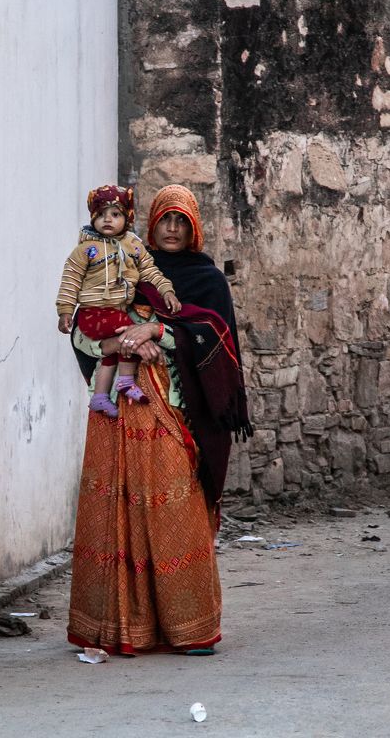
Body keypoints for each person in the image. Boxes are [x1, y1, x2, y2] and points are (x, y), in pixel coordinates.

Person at [67, 184, 252, 655]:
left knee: (175, 509)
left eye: (181, 222)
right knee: (116, 513)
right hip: (116, 412)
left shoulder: (208, 281)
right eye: (165, 220)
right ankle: (117, 626)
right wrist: (121, 341)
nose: (171, 229)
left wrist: (159, 330)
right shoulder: (125, 263)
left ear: (194, 229)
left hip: (174, 412)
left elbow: (215, 343)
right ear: (150, 224)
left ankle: (189, 628)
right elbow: (83, 332)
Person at [56, 184, 181, 418]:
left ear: (128, 218)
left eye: (115, 214)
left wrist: (166, 291)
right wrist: (65, 310)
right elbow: (71, 280)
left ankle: (101, 396)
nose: (107, 220)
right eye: (101, 215)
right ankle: (125, 381)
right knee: (128, 330)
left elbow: (151, 272)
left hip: (170, 401)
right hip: (95, 312)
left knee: (113, 354)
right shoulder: (87, 250)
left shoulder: (134, 248)